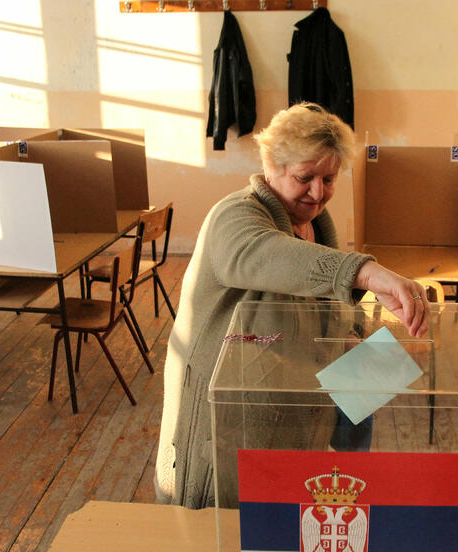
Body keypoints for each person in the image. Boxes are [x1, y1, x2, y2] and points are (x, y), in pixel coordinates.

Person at [155, 102, 431, 509]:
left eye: (329, 179)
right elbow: (267, 255)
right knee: (221, 535)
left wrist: (360, 343)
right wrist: (365, 273)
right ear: (271, 165)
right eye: (305, 178)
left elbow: (326, 313)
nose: (318, 192)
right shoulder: (234, 216)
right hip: (224, 432)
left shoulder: (318, 226)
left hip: (293, 426)